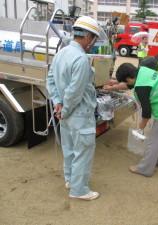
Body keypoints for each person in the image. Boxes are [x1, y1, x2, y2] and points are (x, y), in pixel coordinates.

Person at [47, 16, 101, 200]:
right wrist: (65, 108)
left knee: (69, 150)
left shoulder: (61, 53)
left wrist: (58, 104)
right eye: (93, 38)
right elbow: (74, 93)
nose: (93, 43)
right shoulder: (81, 59)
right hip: (79, 114)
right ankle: (79, 190)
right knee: (83, 153)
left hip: (65, 113)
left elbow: (51, 80)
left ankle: (70, 180)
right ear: (87, 36)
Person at [116, 63, 158, 176]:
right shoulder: (143, 71)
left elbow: (146, 113)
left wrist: (140, 128)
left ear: (128, 78)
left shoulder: (141, 87)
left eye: (125, 81)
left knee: (154, 140)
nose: (126, 84)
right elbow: (132, 85)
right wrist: (114, 85)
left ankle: (144, 169)